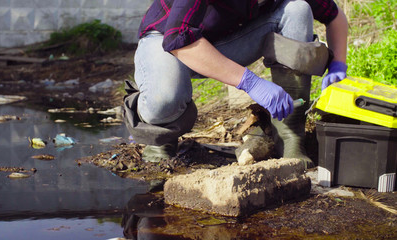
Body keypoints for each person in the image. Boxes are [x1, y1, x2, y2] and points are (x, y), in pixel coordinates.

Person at [123, 0, 348, 169]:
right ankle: (160, 136)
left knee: (298, 8)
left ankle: (290, 138)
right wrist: (251, 82)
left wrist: (338, 64)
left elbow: (334, 16)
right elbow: (177, 37)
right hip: (165, 40)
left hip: (228, 39)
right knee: (164, 100)